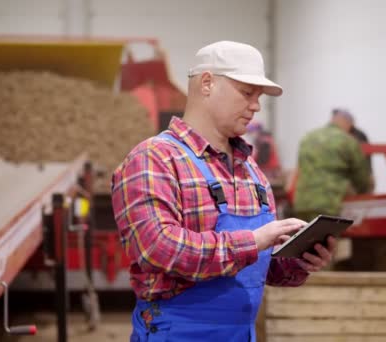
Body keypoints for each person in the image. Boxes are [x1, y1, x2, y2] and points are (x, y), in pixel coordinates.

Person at [111, 41, 337, 342]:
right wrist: (254, 240)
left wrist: (298, 261)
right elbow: (159, 249)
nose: (256, 105)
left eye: (258, 97)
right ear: (207, 83)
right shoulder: (154, 159)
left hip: (241, 334)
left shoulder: (251, 171)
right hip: (176, 334)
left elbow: (263, 268)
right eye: (247, 93)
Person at [293, 110, 372, 221]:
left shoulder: (308, 137)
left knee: (307, 237)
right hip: (328, 204)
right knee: (325, 237)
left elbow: (300, 168)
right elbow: (361, 177)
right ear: (348, 123)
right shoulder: (348, 141)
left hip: (302, 203)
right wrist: (364, 193)